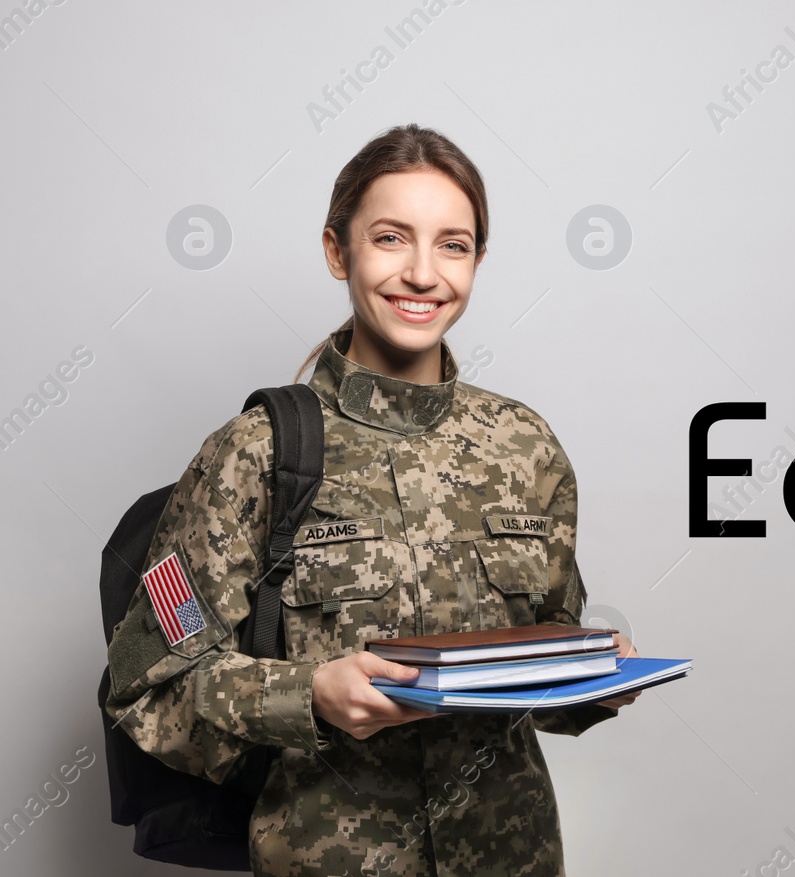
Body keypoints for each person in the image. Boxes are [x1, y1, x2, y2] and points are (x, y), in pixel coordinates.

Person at [102, 123, 636, 876]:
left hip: (515, 856)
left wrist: (591, 678)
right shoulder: (255, 453)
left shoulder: (526, 446)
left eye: (453, 244)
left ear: (478, 261)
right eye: (391, 238)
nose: (423, 273)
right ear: (336, 250)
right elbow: (146, 694)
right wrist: (307, 694)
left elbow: (533, 676)